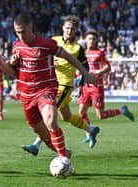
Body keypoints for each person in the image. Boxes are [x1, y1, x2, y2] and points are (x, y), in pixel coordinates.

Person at [0, 13, 97, 159]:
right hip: (26, 96)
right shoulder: (17, 47)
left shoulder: (46, 44)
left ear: (30, 27)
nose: (20, 35)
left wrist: (85, 74)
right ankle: (64, 154)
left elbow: (69, 57)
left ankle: (63, 158)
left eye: (23, 31)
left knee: (51, 120)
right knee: (46, 135)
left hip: (46, 89)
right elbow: (14, 74)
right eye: (17, 32)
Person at [21, 15, 100, 156]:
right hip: (50, 83)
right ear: (63, 27)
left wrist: (82, 84)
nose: (69, 30)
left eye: (72, 28)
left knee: (48, 115)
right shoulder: (54, 40)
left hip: (64, 85)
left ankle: (36, 145)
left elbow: (85, 66)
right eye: (67, 27)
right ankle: (91, 129)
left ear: (76, 30)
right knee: (66, 116)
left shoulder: (78, 48)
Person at [78, 29, 134, 142]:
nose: (91, 41)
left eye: (93, 39)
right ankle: (89, 134)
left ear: (96, 40)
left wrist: (98, 72)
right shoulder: (82, 52)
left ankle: (122, 111)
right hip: (85, 86)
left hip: (96, 86)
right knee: (81, 112)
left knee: (101, 115)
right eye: (89, 38)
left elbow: (108, 67)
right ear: (85, 39)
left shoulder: (99, 53)